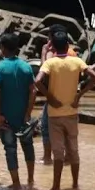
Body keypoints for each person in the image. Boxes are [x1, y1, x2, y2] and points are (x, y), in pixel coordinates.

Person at [34, 30, 95, 190]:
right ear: (67, 46)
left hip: (54, 114)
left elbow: (37, 81)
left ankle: (56, 186)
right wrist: (79, 95)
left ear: (54, 48)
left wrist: (49, 97)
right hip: (71, 112)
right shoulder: (77, 61)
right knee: (74, 150)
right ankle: (75, 185)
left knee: (58, 152)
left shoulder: (49, 63)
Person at [0, 33, 37, 190]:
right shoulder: (26, 66)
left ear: (3, 48)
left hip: (6, 120)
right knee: (28, 147)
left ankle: (16, 183)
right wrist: (28, 112)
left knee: (10, 150)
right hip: (24, 119)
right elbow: (33, 91)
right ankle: (30, 181)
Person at [38, 23, 78, 166]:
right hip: (70, 98)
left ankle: (47, 157)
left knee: (46, 127)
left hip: (54, 97)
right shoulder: (73, 53)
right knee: (67, 129)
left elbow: (45, 74)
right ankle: (68, 157)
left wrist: (44, 53)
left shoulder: (52, 53)